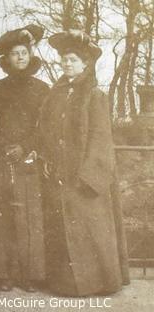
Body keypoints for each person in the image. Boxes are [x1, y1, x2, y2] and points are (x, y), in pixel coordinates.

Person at [39, 29, 130, 296]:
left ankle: (97, 282)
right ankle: (65, 284)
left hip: (86, 175)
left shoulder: (94, 95)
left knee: (91, 227)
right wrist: (46, 156)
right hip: (60, 172)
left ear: (85, 64)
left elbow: (101, 137)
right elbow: (45, 130)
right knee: (64, 230)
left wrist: (89, 175)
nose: (68, 64)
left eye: (73, 60)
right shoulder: (55, 95)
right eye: (65, 60)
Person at [0, 24, 50, 292]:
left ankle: (29, 275)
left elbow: (45, 127)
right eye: (15, 53)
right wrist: (3, 145)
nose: (20, 57)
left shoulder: (43, 89)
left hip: (30, 159)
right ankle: (4, 274)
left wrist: (25, 146)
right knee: (3, 216)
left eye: (24, 52)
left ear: (30, 55)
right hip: (2, 159)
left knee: (29, 217)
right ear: (6, 59)